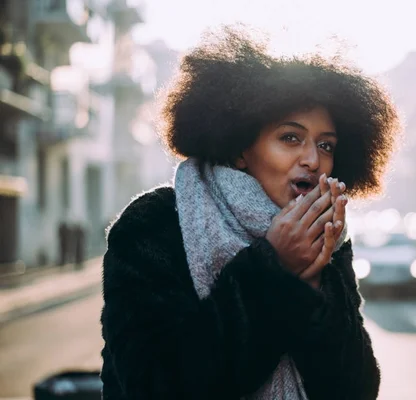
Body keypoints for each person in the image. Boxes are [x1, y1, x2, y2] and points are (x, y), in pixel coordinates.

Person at [100, 26, 400, 400]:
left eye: (326, 145)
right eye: (290, 137)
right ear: (240, 148)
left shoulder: (326, 237)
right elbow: (156, 386)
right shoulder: (154, 225)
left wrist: (310, 286)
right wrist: (274, 268)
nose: (313, 159)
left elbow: (356, 391)